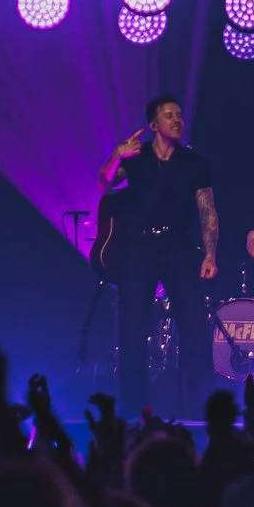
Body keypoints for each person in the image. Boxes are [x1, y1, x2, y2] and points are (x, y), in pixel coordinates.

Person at [102, 95, 218, 419]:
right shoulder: (136, 159)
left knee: (196, 326)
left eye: (179, 114)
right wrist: (116, 155)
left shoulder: (194, 163)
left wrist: (210, 254)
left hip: (177, 246)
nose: (177, 119)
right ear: (154, 126)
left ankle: (202, 411)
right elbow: (105, 182)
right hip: (138, 248)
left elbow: (208, 212)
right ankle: (133, 411)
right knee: (133, 329)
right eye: (169, 115)